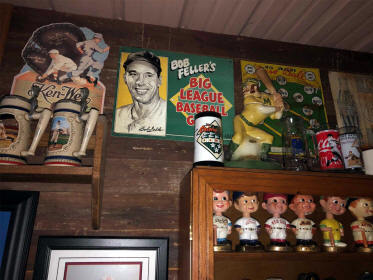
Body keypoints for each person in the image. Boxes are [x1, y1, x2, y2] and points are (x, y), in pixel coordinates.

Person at [226, 70, 284, 161]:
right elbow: (261, 109)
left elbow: (277, 116)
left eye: (246, 87)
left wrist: (280, 105)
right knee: (238, 136)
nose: (244, 90)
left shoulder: (267, 97)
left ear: (255, 87)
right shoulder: (249, 98)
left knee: (268, 138)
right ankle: (228, 156)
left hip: (250, 127)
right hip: (241, 120)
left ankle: (263, 157)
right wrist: (276, 108)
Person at [114, 51, 167, 136]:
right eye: (133, 74)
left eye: (148, 75)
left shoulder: (168, 113)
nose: (140, 82)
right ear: (125, 78)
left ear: (159, 80)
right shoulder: (118, 115)